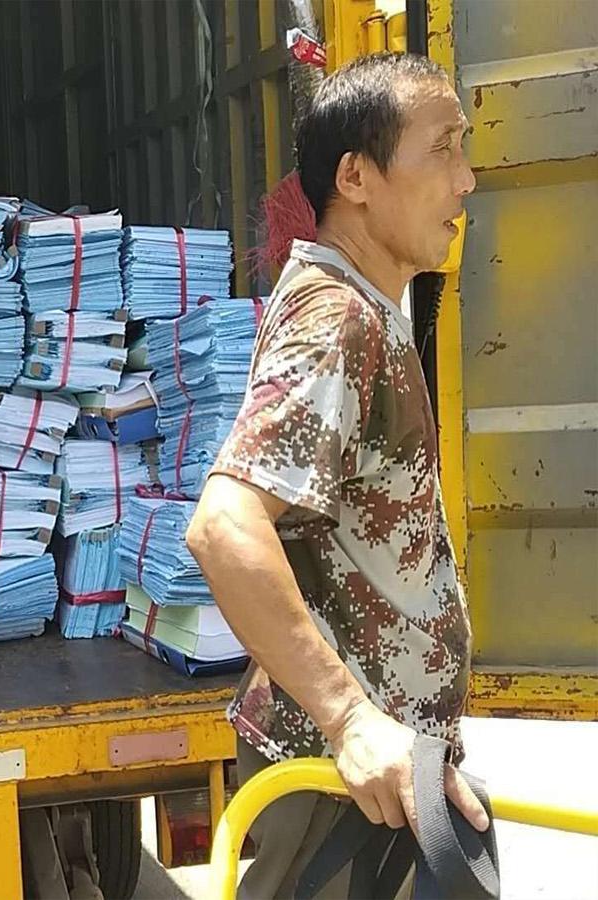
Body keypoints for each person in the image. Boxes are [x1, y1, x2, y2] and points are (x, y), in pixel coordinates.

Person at [185, 52, 488, 898]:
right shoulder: (336, 321)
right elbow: (223, 526)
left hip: (374, 790)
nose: (465, 179)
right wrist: (352, 720)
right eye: (442, 149)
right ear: (355, 177)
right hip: (339, 793)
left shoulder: (356, 303)